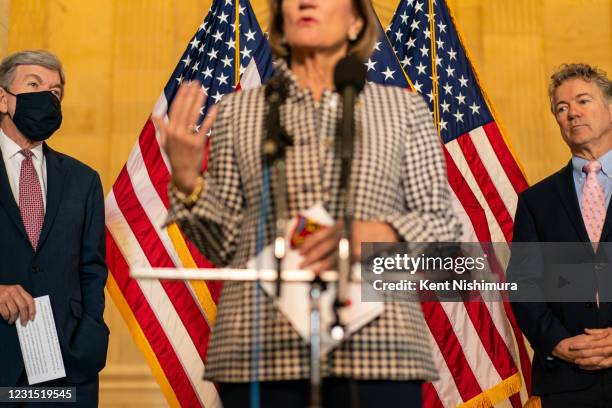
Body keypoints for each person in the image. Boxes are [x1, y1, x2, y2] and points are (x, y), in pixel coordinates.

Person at [155, 0, 460, 406]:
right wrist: (188, 179)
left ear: (355, 21)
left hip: (379, 347)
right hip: (261, 347)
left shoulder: (403, 109)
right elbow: (225, 245)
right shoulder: (239, 110)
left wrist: (370, 233)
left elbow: (443, 230)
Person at [0, 50, 109, 406]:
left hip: (64, 366)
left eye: (56, 92)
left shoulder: (83, 180)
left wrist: (88, 336)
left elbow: (92, 270)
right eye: (34, 85)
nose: (47, 97)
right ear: (3, 98)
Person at [509, 63, 612, 407]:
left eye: (583, 101)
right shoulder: (535, 201)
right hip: (567, 381)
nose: (572, 114)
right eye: (562, 108)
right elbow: (524, 284)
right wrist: (556, 343)